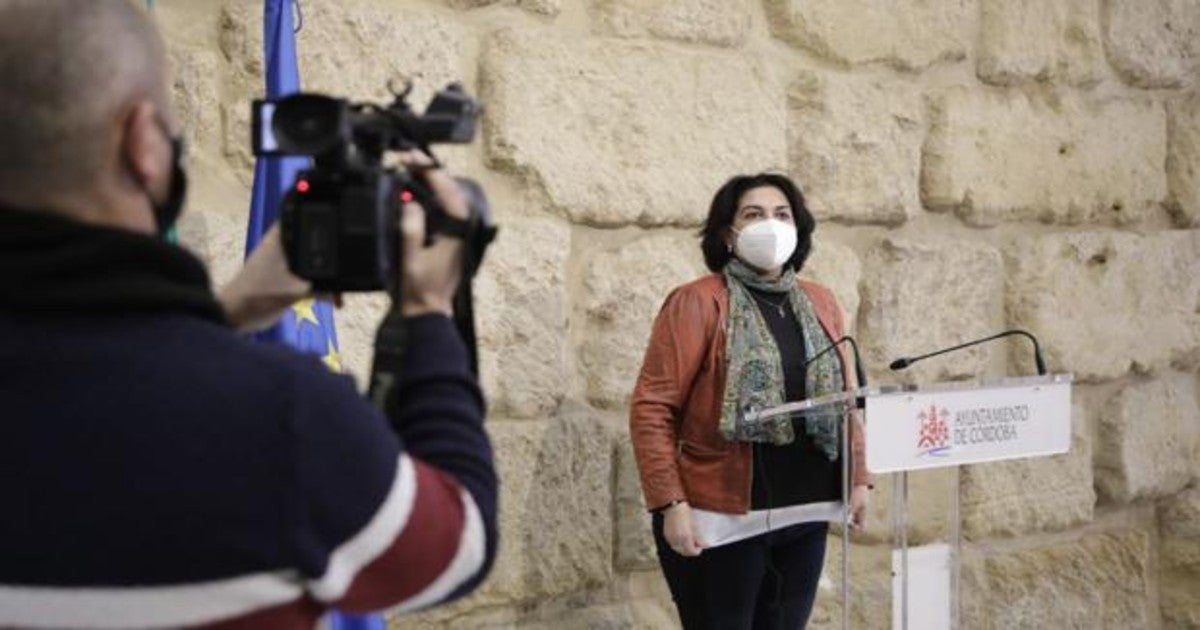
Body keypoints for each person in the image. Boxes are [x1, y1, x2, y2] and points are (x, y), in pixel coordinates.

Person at [0, 1, 496, 628]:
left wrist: (232, 309)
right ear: (143, 144)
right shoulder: (283, 421)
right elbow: (459, 542)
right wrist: (427, 309)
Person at [629, 173, 871, 629]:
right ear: (728, 232)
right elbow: (652, 407)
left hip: (805, 512)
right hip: (720, 518)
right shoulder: (697, 302)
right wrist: (669, 503)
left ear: (798, 228)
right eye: (753, 214)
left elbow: (847, 398)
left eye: (782, 215)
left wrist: (858, 476)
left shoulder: (820, 301)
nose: (770, 224)